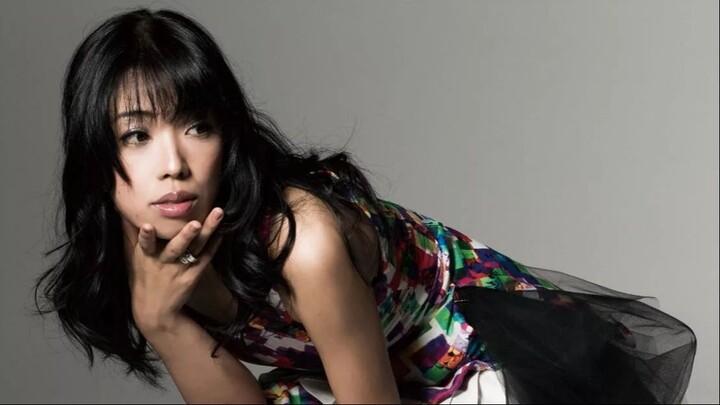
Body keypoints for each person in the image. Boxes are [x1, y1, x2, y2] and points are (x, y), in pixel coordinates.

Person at [33, 7, 696, 404]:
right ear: (94, 152)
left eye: (198, 126)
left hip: (481, 355)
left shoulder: (301, 241)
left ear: (228, 135)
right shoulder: (142, 253)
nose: (173, 163)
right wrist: (160, 321)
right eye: (136, 135)